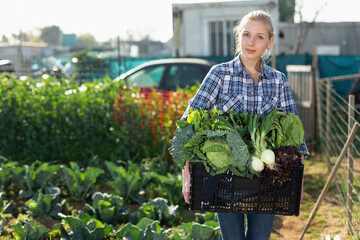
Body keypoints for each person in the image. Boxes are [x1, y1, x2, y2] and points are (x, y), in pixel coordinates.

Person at [180, 10, 309, 240]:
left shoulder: (278, 80)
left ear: (269, 43)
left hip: (265, 177)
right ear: (238, 36)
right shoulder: (219, 74)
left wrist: (298, 181)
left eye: (260, 37)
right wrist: (186, 172)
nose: (251, 42)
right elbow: (188, 122)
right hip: (225, 177)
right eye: (246, 34)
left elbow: (294, 135)